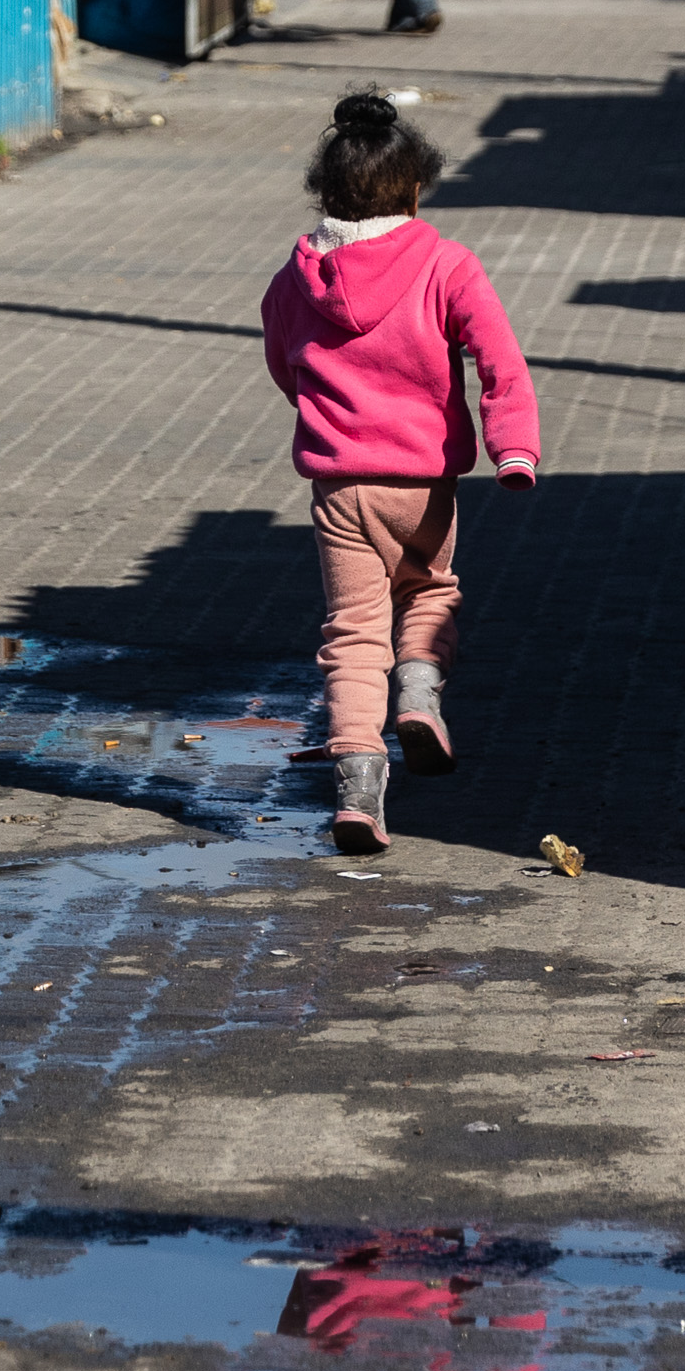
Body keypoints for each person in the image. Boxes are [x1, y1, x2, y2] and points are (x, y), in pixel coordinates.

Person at [257, 90, 542, 854]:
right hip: (426, 483)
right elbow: (499, 362)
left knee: (352, 633)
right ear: (416, 186)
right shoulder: (447, 264)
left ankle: (358, 786)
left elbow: (285, 360)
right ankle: (419, 691)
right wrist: (514, 448)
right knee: (429, 588)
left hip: (340, 484)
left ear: (326, 190)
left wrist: (324, 410)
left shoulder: (298, 276)